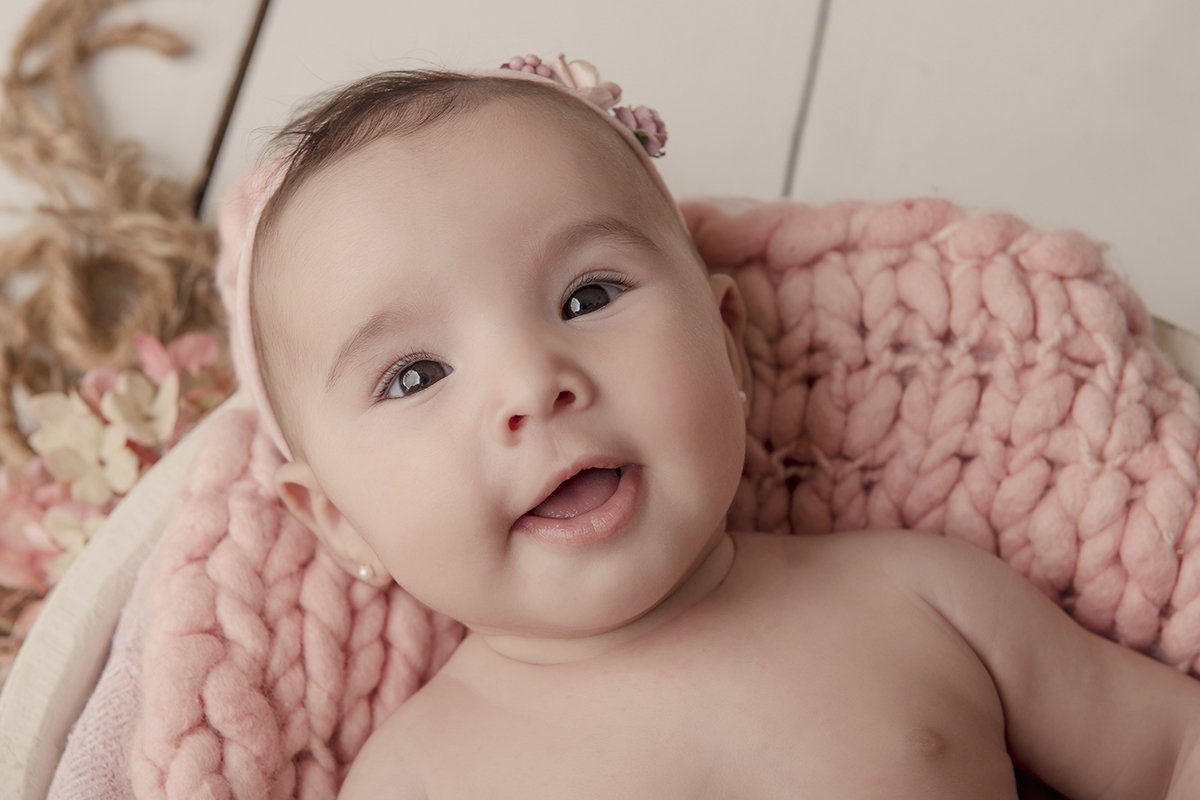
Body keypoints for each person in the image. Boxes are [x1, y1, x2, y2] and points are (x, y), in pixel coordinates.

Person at [236, 57, 1200, 798]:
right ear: (337, 522)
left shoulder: (922, 597)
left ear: (728, 347)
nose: (532, 383)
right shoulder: (417, 780)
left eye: (587, 296)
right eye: (415, 374)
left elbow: (1168, 751)